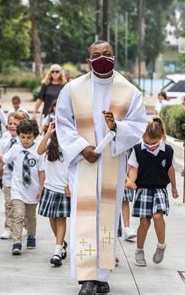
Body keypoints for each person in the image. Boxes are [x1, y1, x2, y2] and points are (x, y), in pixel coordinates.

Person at [56, 40, 147, 295]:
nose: (102, 58)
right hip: (83, 163)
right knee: (85, 217)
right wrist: (81, 148)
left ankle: (102, 274)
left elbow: (138, 124)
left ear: (114, 57)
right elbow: (62, 123)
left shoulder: (129, 91)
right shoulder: (72, 89)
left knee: (106, 217)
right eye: (96, 55)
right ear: (88, 61)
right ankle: (87, 278)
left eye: (106, 54)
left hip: (112, 162)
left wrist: (117, 127)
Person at [125, 117, 179, 267]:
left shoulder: (167, 150)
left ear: (160, 137)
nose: (150, 145)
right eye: (147, 142)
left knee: (157, 216)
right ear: (143, 136)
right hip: (143, 189)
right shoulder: (137, 149)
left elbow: (170, 169)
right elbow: (133, 169)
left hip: (160, 189)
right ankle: (139, 251)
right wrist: (131, 182)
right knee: (144, 222)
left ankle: (161, 245)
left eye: (153, 143)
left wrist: (174, 187)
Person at [3, 119, 42, 255]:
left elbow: (42, 171)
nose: (25, 140)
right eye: (23, 137)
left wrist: (41, 189)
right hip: (17, 190)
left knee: (31, 216)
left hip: (33, 190)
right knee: (18, 215)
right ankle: (17, 242)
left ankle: (31, 236)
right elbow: (5, 159)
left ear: (35, 136)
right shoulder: (15, 148)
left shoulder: (39, 150)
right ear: (19, 135)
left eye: (29, 137)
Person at [36, 122, 70, 267]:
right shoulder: (51, 143)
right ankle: (61, 243)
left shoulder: (71, 144)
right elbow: (39, 150)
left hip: (63, 188)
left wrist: (70, 184)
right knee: (52, 218)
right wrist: (48, 133)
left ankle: (57, 252)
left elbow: (74, 167)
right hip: (50, 187)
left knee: (61, 220)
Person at [0, 111, 28, 240]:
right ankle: (8, 228)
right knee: (9, 204)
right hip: (8, 177)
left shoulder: (25, 139)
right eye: (10, 123)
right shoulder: (5, 137)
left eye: (15, 124)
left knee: (24, 204)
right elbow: (1, 157)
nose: (12, 126)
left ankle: (26, 225)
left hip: (23, 178)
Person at [121, 149, 137, 241]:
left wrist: (130, 180)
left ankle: (127, 228)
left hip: (128, 176)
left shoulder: (132, 147)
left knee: (125, 201)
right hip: (114, 173)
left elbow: (133, 166)